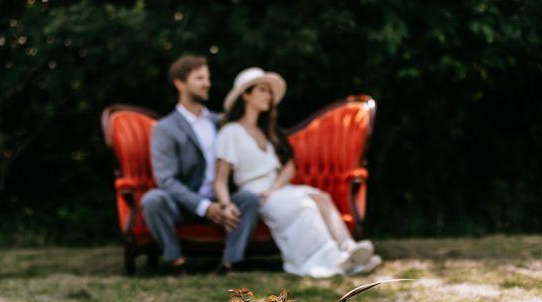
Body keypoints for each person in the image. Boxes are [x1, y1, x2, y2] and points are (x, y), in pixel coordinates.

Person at [214, 67, 382, 277]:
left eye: (269, 91)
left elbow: (290, 166)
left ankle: (349, 248)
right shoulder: (230, 132)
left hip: (277, 189)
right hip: (257, 195)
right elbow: (220, 180)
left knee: (322, 198)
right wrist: (226, 204)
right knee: (305, 207)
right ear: (245, 95)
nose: (268, 96)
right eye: (262, 90)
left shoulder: (268, 133)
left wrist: (274, 187)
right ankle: (334, 261)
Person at [142, 56, 260, 274]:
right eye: (199, 78)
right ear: (180, 83)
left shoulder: (220, 122)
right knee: (152, 200)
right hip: (184, 204)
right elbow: (166, 180)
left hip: (221, 198)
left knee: (249, 199)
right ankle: (177, 262)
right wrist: (204, 207)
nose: (207, 83)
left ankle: (229, 263)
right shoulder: (165, 128)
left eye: (207, 78)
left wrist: (223, 203)